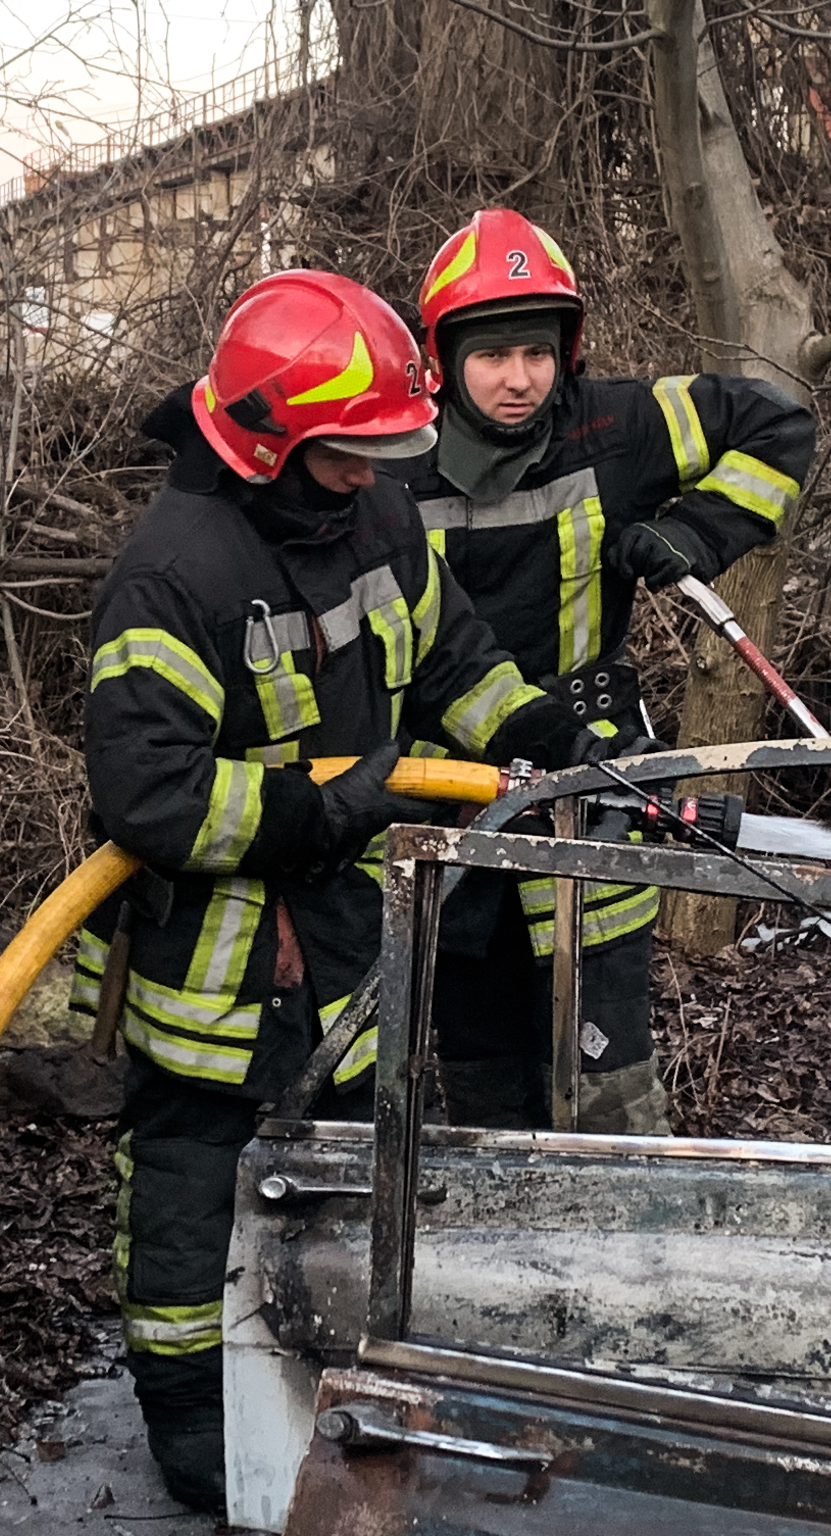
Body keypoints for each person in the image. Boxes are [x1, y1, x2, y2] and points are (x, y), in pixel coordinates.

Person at [68, 269, 608, 1512]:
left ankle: (324, 1369)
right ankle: (192, 1422)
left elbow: (452, 662)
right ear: (267, 444)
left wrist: (532, 732)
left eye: (379, 449)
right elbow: (144, 795)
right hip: (217, 964)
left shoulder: (374, 522)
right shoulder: (173, 574)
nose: (372, 471)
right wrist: (320, 807)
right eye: (345, 454)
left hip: (346, 940)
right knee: (192, 1190)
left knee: (347, 1162)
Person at [393, 208, 816, 1134]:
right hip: (449, 796)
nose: (517, 380)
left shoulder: (617, 426)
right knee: (476, 1067)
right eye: (493, 356)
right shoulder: (395, 462)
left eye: (537, 354)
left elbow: (780, 425)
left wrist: (694, 533)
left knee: (606, 1076)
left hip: (594, 780)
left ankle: (625, 1243)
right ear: (443, 356)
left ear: (566, 352)